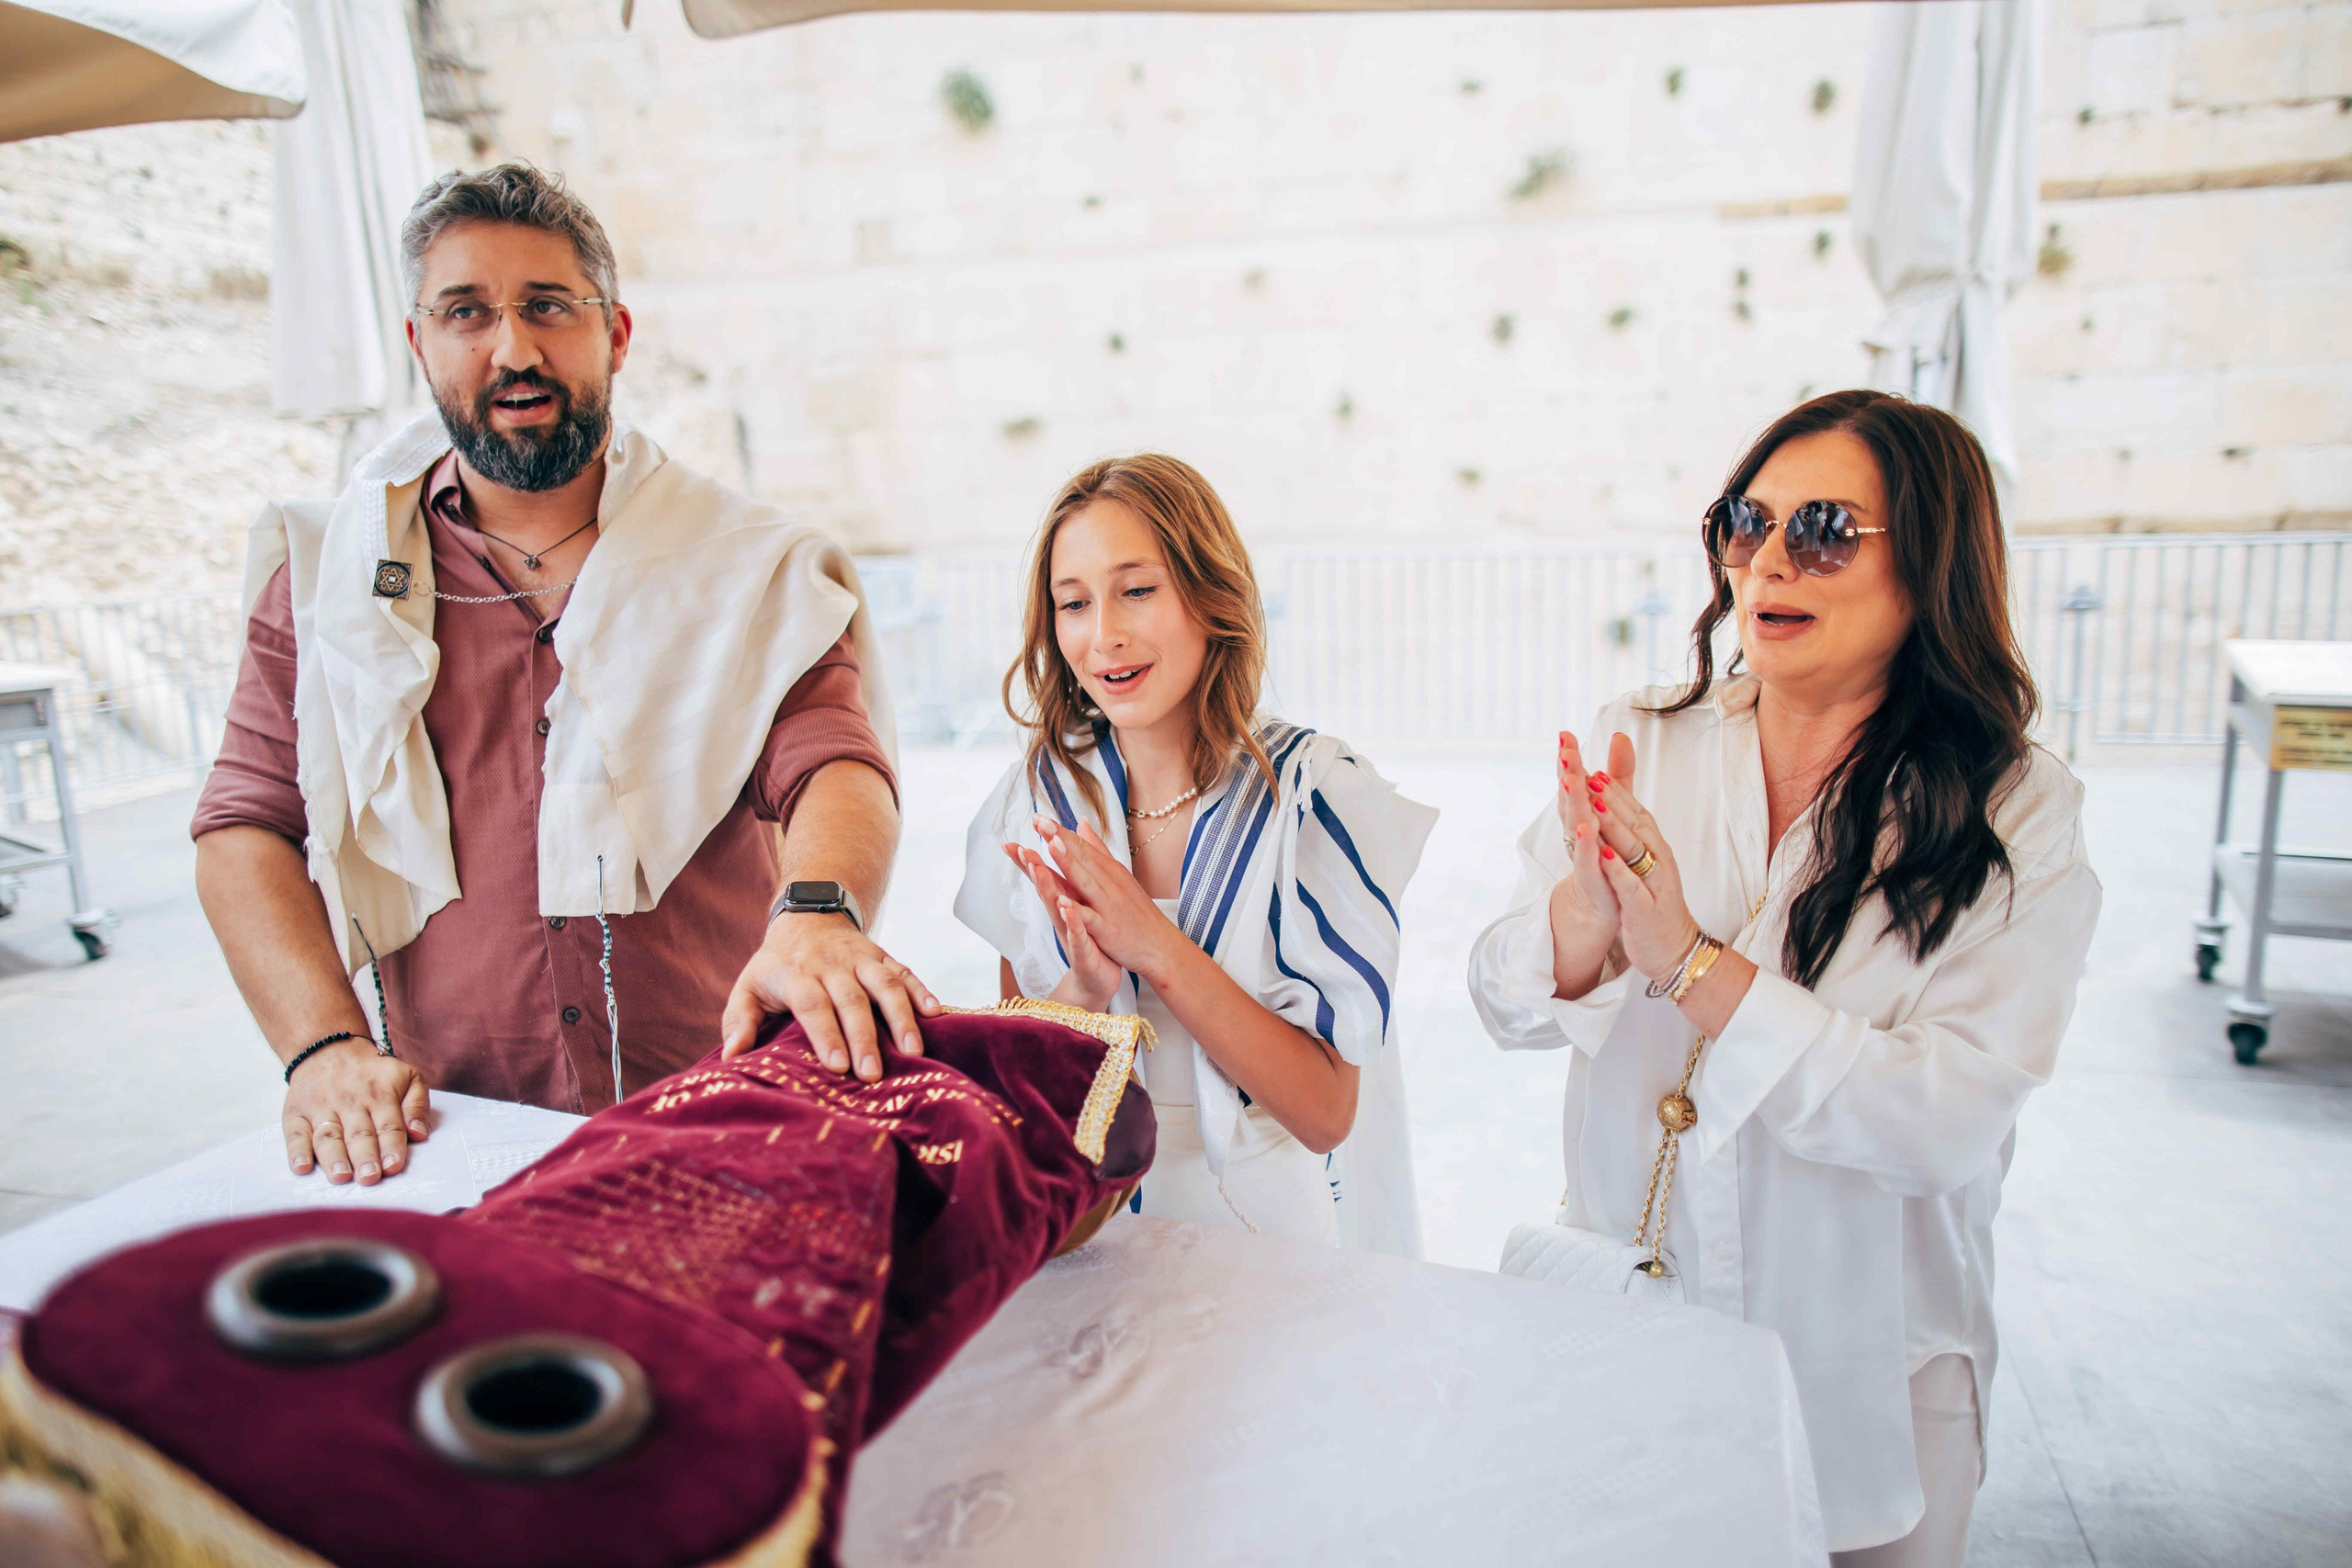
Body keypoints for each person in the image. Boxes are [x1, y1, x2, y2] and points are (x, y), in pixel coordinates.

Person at [193, 164, 939, 1190]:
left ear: (615, 334)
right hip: (446, 1139)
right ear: (420, 345)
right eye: (467, 312)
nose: (513, 349)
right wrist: (323, 1049)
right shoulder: (328, 576)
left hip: (723, 1113)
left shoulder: (747, 564)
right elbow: (247, 821)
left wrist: (817, 914)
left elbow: (832, 763)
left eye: (549, 306)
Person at [1467, 390, 2100, 1565]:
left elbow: (1940, 1123)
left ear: (1931, 562)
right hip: (1636, 1322)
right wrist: (1580, 916)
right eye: (1742, 523)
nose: (1766, 559)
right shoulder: (1642, 739)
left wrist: (1692, 966)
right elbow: (1502, 1001)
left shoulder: (2019, 813)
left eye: (1818, 529)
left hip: (1872, 1376)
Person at [955, 455, 1435, 1254]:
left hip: (1265, 1241)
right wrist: (1081, 989)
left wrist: (1158, 948)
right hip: (1089, 1233)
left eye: (1136, 590)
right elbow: (1022, 1091)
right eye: (1073, 603)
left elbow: (1326, 1114)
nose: (1102, 632)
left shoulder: (1312, 797)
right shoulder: (1037, 798)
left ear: (1209, 596)